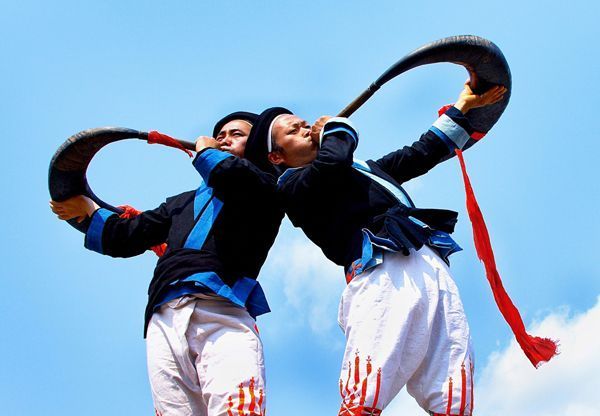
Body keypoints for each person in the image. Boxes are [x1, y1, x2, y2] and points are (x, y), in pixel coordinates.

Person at [246, 83, 506, 415]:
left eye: (305, 123)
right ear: (276, 157)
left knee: (452, 388)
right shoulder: (293, 187)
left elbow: (420, 154)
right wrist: (335, 129)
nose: (306, 129)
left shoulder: (363, 170)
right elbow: (333, 161)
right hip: (379, 272)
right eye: (293, 131)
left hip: (428, 265)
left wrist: (463, 106)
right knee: (367, 388)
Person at [50, 112, 284, 416]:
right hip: (164, 315)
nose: (224, 140)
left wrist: (207, 152)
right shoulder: (180, 203)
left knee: (236, 408)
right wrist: (89, 211)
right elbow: (129, 235)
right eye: (220, 136)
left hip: (223, 308)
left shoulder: (267, 186)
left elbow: (230, 176)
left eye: (236, 134)